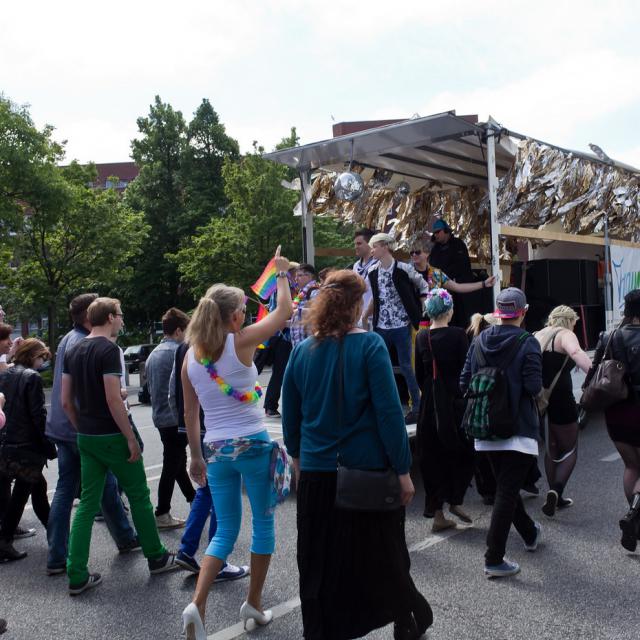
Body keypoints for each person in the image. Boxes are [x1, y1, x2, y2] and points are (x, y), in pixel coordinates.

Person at [282, 269, 430, 640]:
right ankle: (406, 618)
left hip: (316, 472)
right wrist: (403, 469)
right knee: (384, 553)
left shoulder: (301, 352)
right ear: (355, 304)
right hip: (364, 472)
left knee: (317, 559)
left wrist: (298, 461)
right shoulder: (370, 346)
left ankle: (319, 631)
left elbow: (291, 416)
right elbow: (389, 414)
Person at [180, 246, 293, 640]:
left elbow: (189, 413)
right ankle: (254, 603)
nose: (245, 316)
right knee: (263, 524)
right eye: (243, 310)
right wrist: (281, 273)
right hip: (252, 445)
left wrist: (196, 456)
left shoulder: (191, 357)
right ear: (231, 317)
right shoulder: (240, 341)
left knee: (225, 529)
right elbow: (284, 312)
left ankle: (197, 604)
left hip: (215, 449)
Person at [62, 297, 177, 596]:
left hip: (87, 436)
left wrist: (81, 427)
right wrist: (129, 437)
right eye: (121, 315)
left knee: (88, 504)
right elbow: (113, 399)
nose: (123, 320)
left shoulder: (73, 350)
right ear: (111, 317)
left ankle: (76, 573)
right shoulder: (109, 350)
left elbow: (65, 401)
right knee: (138, 496)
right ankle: (156, 556)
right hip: (113, 435)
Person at [46, 293, 139, 576]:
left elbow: (64, 396)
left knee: (69, 489)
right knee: (103, 488)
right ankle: (126, 537)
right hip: (85, 426)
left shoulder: (67, 340)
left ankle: (57, 555)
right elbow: (101, 395)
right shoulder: (89, 344)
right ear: (92, 315)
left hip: (63, 425)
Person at [363, 233, 495, 424]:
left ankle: (429, 403)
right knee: (412, 365)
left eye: (417, 252)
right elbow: (379, 295)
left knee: (428, 365)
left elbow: (457, 287)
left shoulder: (432, 274)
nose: (414, 256)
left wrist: (482, 284)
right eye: (411, 253)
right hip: (415, 326)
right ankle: (416, 403)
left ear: (427, 253)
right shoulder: (401, 270)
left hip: (430, 323)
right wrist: (365, 315)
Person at [460, 287, 543, 578]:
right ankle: (493, 558)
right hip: (518, 429)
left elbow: (464, 382)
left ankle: (530, 533)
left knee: (506, 489)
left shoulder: (479, 339)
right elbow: (533, 387)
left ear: (497, 312)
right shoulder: (528, 342)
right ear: (524, 311)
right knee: (506, 492)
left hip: (485, 428)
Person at [169, 340, 249, 582]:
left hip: (197, 425)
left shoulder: (186, 347)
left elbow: (176, 390)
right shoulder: (218, 343)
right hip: (216, 425)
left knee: (206, 490)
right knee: (220, 494)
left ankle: (187, 549)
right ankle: (218, 562)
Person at [584, 289, 640, 551]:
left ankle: (635, 516)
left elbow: (593, 372)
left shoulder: (609, 337)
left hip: (617, 411)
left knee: (632, 466)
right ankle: (634, 515)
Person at [415, 289, 475, 532]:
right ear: (449, 311)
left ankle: (438, 512)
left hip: (430, 403)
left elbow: (419, 375)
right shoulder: (459, 334)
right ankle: (455, 499)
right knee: (463, 451)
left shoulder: (421, 337)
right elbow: (466, 369)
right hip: (455, 401)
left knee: (432, 456)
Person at [534, 306, 591, 517]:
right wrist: (595, 375)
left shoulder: (537, 334)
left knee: (552, 449)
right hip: (562, 399)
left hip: (540, 400)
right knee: (569, 449)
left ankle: (554, 494)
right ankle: (557, 491)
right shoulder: (565, 334)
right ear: (569, 321)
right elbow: (576, 352)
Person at [0, 339, 53, 562]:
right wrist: (48, 445)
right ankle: (4, 541)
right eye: (42, 357)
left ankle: (55, 534)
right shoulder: (32, 377)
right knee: (22, 494)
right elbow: (38, 415)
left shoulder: (5, 374)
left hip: (8, 442)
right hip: (27, 446)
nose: (42, 362)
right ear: (33, 356)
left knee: (37, 488)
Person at [145, 307, 195, 529]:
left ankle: (194, 499)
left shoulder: (153, 354)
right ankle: (162, 512)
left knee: (177, 463)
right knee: (172, 464)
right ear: (178, 331)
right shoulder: (180, 352)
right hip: (175, 417)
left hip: (160, 417)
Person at [429, 220, 476, 328]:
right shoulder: (435, 249)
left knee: (462, 319)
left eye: (438, 232)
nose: (436, 235)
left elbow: (463, 266)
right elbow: (433, 268)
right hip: (444, 290)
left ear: (446, 231)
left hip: (461, 290)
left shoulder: (458, 245)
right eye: (434, 233)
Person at [290, 264, 320, 348]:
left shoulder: (315, 291)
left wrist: (299, 311)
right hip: (301, 343)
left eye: (299, 275)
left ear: (309, 276)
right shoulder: (301, 293)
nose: (296, 279)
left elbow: (318, 312)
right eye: (296, 276)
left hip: (310, 344)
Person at [352, 228, 378, 325]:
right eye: (355, 244)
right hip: (358, 318)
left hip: (374, 319)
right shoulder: (356, 266)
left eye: (359, 243)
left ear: (370, 244)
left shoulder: (378, 264)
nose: (356, 247)